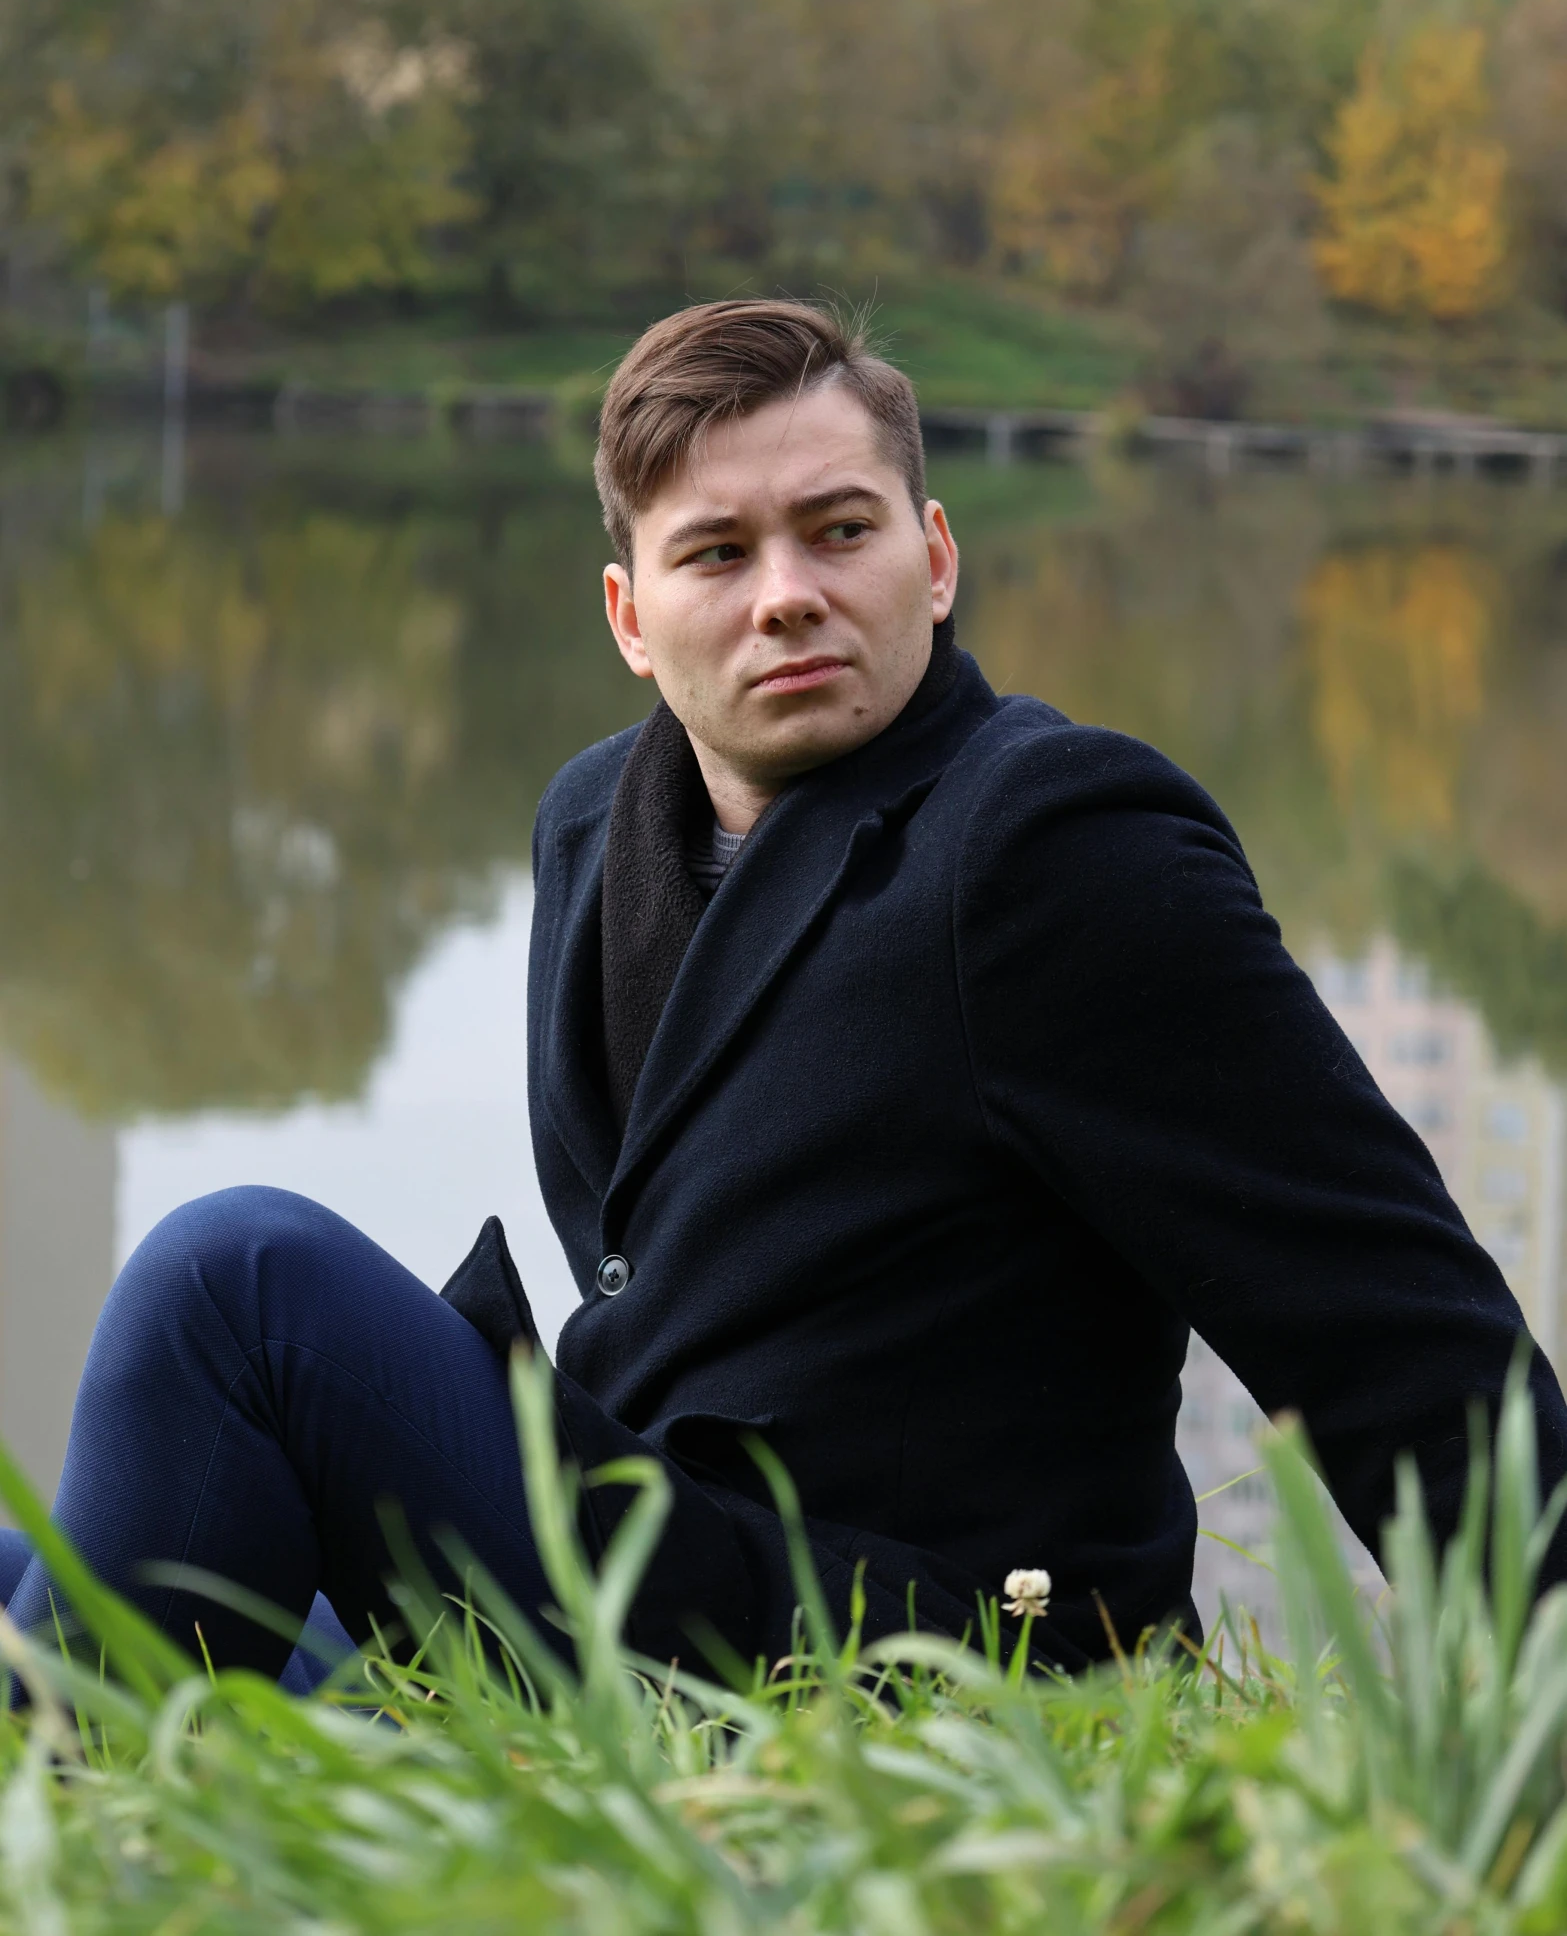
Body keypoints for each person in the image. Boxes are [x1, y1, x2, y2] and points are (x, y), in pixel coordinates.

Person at [4, 296, 1566, 1685]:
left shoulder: (1052, 844)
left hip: (898, 1637)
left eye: (840, 531)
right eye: (716, 551)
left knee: (235, 1284)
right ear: (630, 615)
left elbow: (1385, 1317)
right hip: (637, 1550)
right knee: (61, 1558)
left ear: (933, 558)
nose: (786, 595)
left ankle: (50, 1825)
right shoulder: (590, 820)